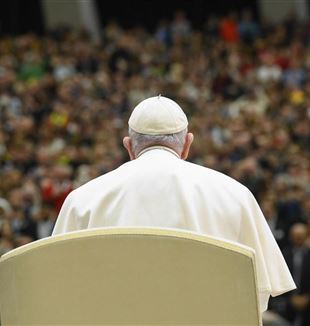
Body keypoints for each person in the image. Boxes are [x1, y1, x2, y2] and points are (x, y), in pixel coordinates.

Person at [52, 95, 296, 312]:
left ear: (128, 146)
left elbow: (60, 291)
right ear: (187, 144)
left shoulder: (83, 199)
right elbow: (256, 297)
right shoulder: (235, 195)